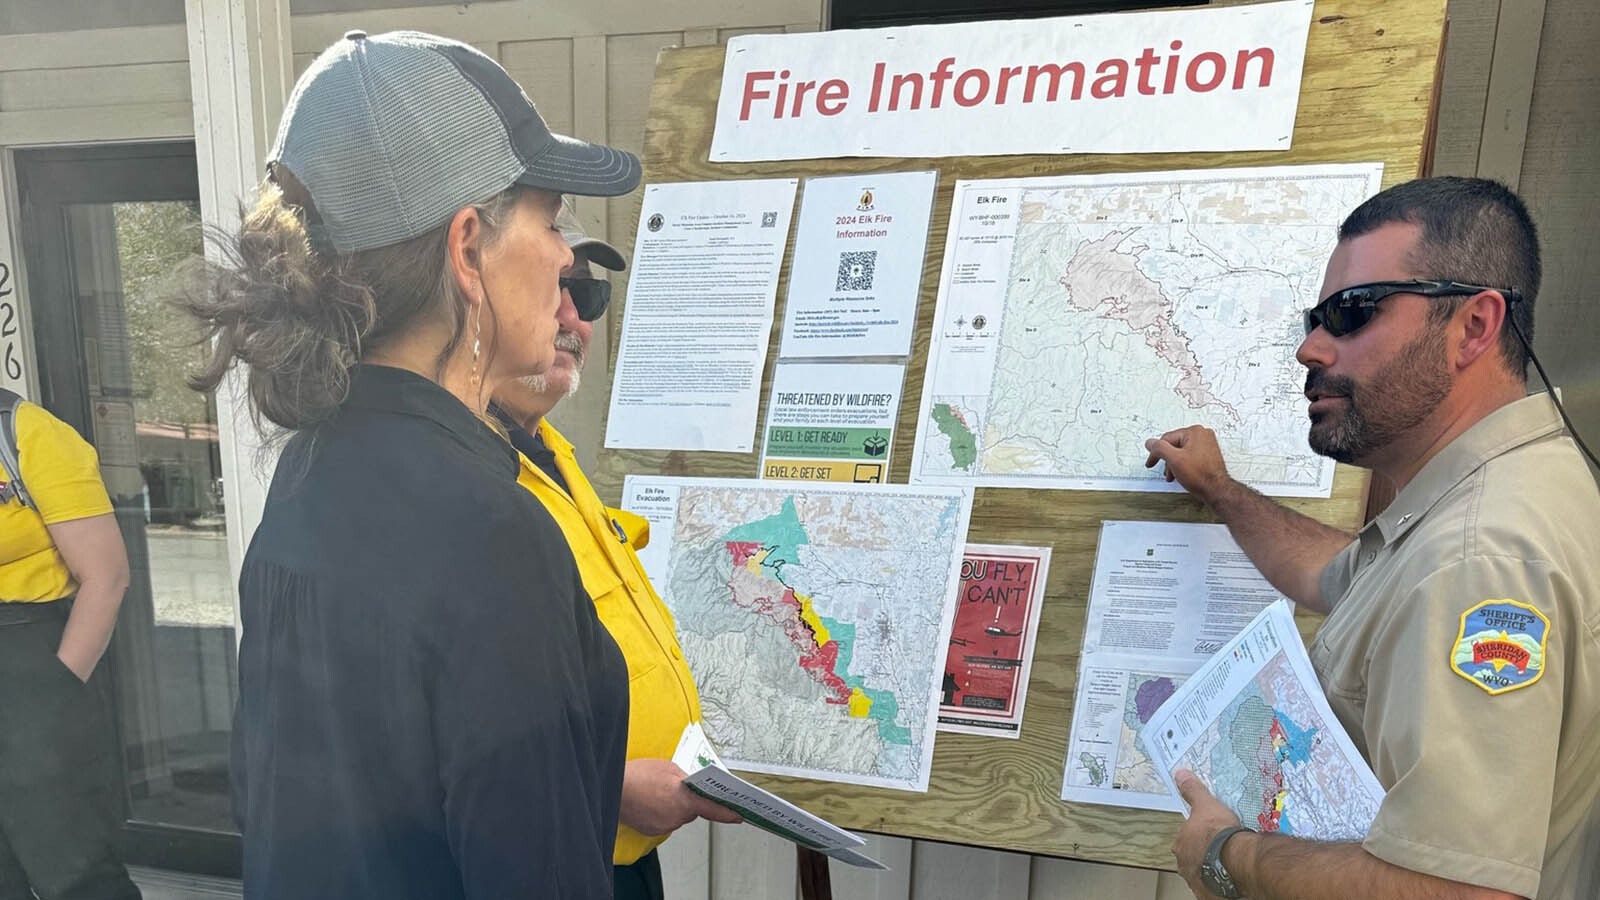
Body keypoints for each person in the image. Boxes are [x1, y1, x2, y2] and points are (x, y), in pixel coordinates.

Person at [181, 30, 641, 898]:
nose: (565, 258)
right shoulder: (491, 533)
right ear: (468, 250)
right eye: (549, 219)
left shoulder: (312, 468)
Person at [1144, 176, 1600, 900]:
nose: (1311, 348)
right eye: (1313, 318)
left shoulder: (1479, 555)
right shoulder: (1486, 497)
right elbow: (1337, 575)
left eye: (1352, 313)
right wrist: (1222, 491)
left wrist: (1228, 856)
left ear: (1475, 327)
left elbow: (1461, 891)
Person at [490, 209, 742, 900]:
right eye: (553, 286)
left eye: (589, 295)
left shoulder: (549, 453)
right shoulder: (464, 480)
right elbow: (453, 731)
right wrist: (609, 788)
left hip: (614, 851)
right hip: (546, 858)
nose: (573, 315)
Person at [0, 393, 138, 900]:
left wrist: (58, 687)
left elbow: (107, 575)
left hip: (27, 660)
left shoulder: (28, 433)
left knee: (72, 868)